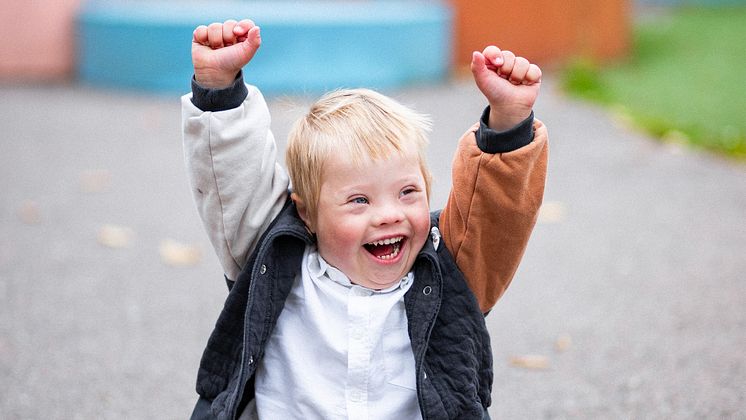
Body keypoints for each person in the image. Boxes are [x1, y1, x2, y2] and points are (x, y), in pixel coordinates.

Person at [182, 18, 548, 420]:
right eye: (359, 200)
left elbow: (495, 215)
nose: (389, 215)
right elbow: (234, 182)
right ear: (307, 213)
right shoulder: (273, 258)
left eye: (408, 192)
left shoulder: (452, 271)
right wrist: (218, 87)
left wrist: (509, 124)